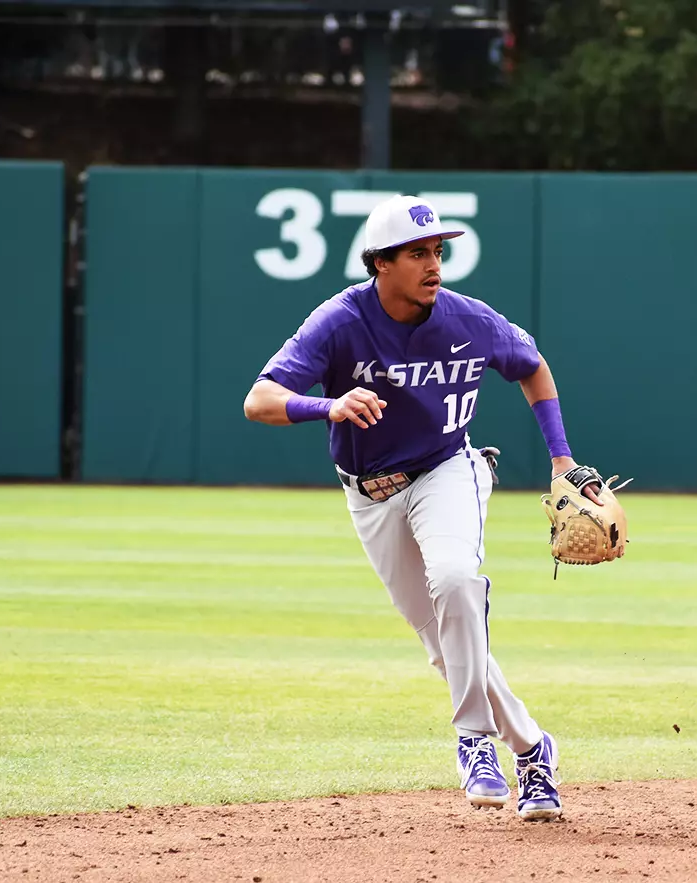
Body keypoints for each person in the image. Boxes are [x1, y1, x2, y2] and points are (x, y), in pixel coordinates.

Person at [243, 194, 593, 822]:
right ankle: (535, 750)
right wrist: (326, 406)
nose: (434, 264)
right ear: (380, 263)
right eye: (417, 254)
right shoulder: (341, 320)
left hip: (447, 469)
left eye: (438, 252)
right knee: (446, 644)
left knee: (457, 579)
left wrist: (561, 459)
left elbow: (532, 368)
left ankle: (473, 741)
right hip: (370, 494)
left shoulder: (468, 318)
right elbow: (260, 400)